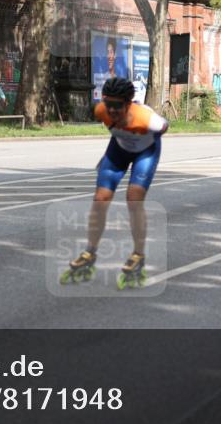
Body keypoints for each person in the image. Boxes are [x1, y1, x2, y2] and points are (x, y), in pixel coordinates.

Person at [62, 77, 169, 290]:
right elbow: (114, 132)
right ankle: (89, 253)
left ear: (129, 103)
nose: (111, 110)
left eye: (117, 106)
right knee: (100, 199)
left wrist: (144, 139)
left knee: (134, 198)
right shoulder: (100, 111)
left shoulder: (147, 119)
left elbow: (164, 127)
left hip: (145, 152)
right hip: (118, 150)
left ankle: (138, 255)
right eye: (108, 104)